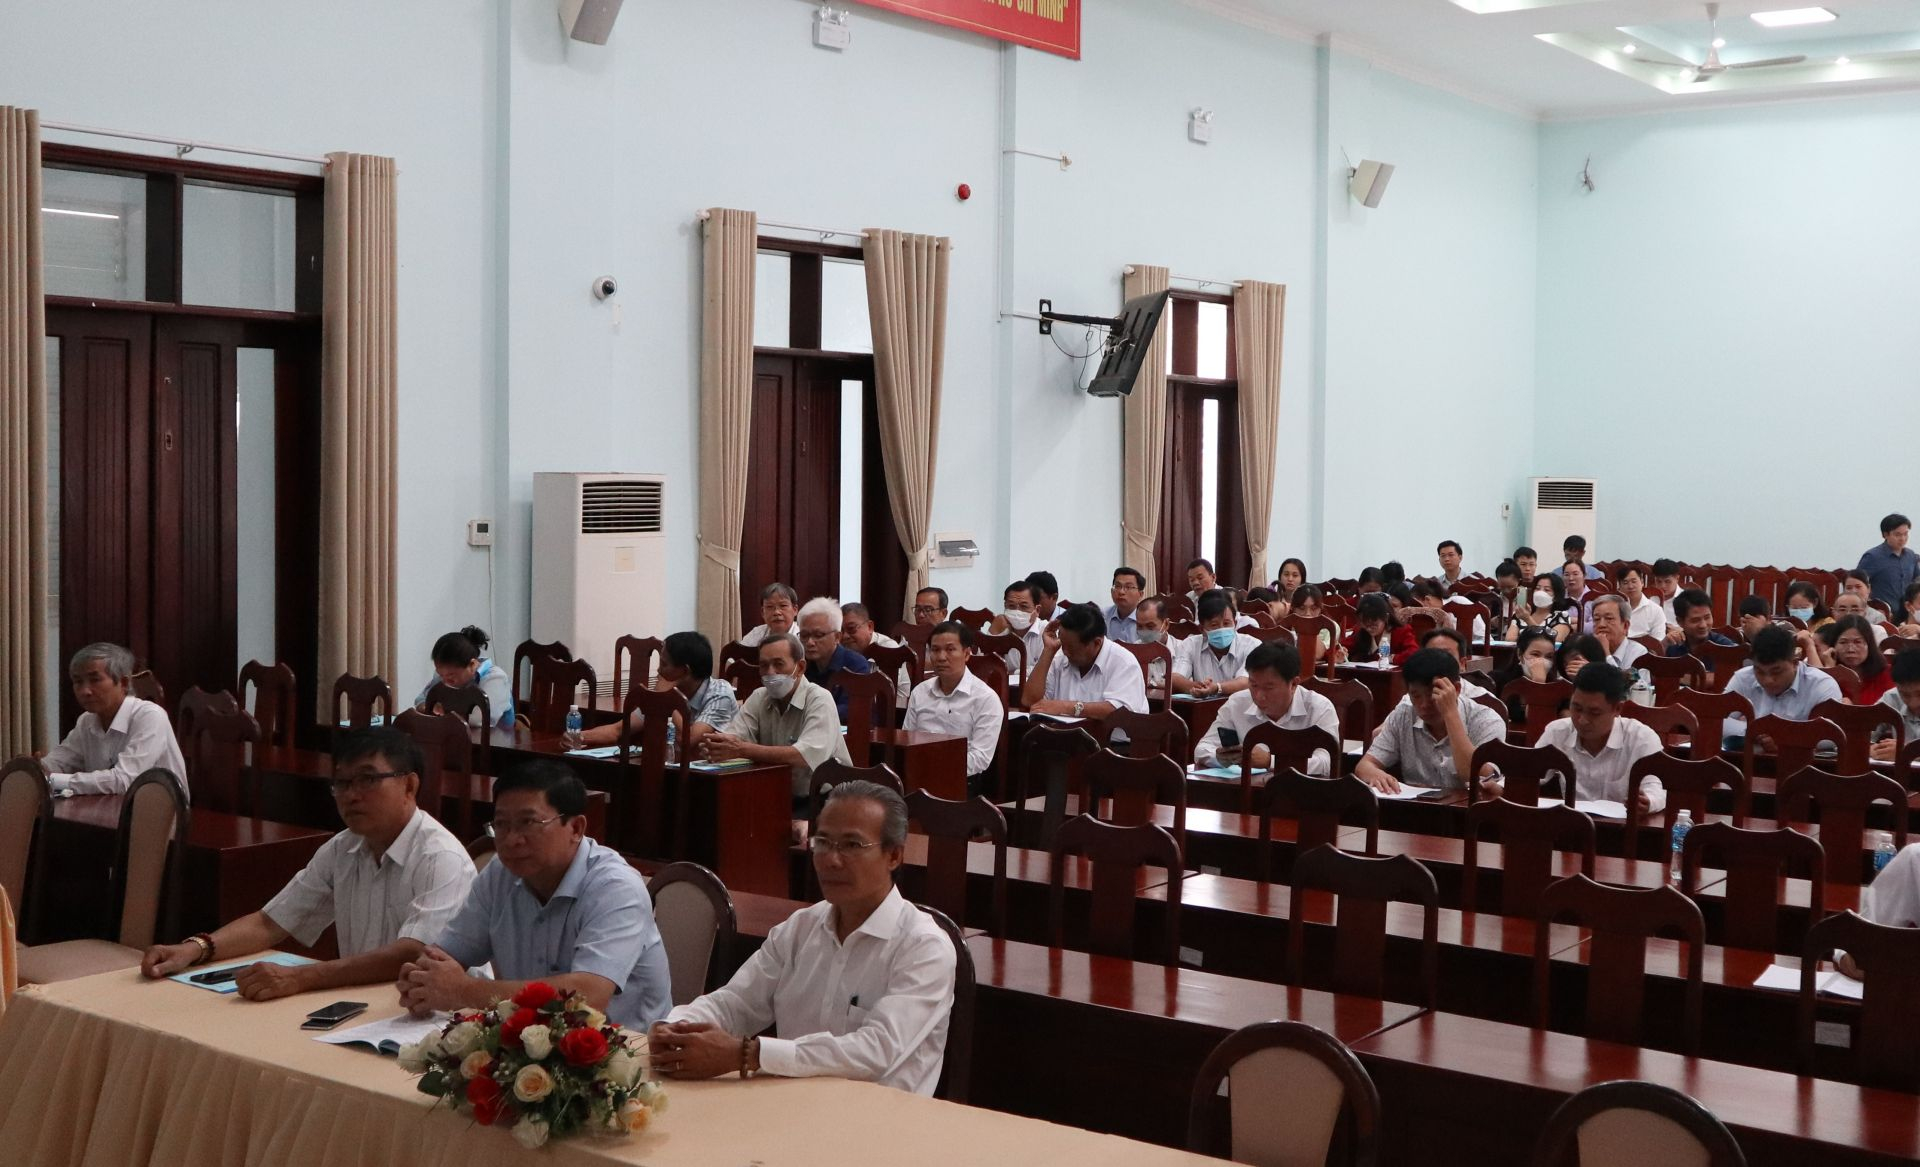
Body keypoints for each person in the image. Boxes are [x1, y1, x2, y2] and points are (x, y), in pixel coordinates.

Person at [649, 781, 954, 1095]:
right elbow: (736, 1003)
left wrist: (749, 1055)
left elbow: (875, 1052)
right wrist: (679, 1027)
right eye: (823, 842)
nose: (831, 859)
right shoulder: (800, 928)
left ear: (894, 855)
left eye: (852, 845)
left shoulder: (925, 947)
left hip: (880, 1118)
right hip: (789, 1104)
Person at [141, 729, 473, 999]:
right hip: (364, 1004)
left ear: (409, 786)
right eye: (342, 783)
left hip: (438, 1019)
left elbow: (414, 953)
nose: (351, 795)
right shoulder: (342, 848)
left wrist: (302, 977)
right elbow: (270, 923)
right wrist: (194, 949)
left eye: (367, 780)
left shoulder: (440, 857)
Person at [399, 761, 672, 1029]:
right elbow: (443, 955)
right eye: (501, 825)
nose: (512, 840)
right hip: (525, 1043)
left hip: (625, 1049)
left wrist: (464, 991)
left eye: (528, 822)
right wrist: (421, 978)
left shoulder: (616, 888)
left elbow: (588, 996)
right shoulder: (500, 874)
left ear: (576, 828)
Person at [1482, 663, 1664, 815]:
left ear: (1617, 709)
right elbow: (1529, 772)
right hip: (1570, 828)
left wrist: (1648, 802)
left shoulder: (1641, 738)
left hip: (1623, 831)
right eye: (1576, 708)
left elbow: (1658, 788)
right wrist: (1502, 787)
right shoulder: (1558, 731)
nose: (1582, 720)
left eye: (1594, 712)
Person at [704, 633, 852, 799]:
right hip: (775, 794)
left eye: (778, 664)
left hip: (827, 800)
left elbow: (803, 756)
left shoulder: (819, 698)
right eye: (764, 665)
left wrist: (741, 749)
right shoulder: (759, 696)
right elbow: (734, 738)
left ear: (800, 667)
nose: (770, 672)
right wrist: (717, 745)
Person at [41, 642, 188, 799]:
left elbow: (124, 780)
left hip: (157, 810)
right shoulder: (87, 720)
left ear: (123, 683)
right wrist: (38, 769)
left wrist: (53, 780)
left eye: (95, 680)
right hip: (107, 807)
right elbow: (59, 762)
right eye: (78, 682)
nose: (85, 691)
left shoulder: (150, 716)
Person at [1355, 649, 1505, 794]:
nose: (1424, 705)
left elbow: (1473, 775)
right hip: (1417, 807)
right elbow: (1365, 765)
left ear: (1456, 689)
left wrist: (1450, 713)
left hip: (1467, 808)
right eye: (1416, 696)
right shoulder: (1404, 714)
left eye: (1432, 695)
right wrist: (1377, 775)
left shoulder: (1487, 721)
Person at [1193, 641, 1340, 772]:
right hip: (1245, 788)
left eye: (1269, 688)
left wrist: (1270, 761)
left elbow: (1327, 763)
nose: (1259, 696)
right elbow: (1202, 749)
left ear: (1294, 684)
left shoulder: (1319, 708)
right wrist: (1220, 758)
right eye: (1253, 685)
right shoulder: (1237, 703)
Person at [576, 631, 739, 749]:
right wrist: (578, 737)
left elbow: (688, 740)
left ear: (685, 670)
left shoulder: (719, 693)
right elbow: (618, 730)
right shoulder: (663, 692)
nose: (659, 670)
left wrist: (667, 699)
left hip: (715, 777)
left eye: (664, 664)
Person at [901, 622, 1004, 795]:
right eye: (935, 650)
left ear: (966, 654)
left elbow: (980, 758)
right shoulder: (920, 692)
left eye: (950, 649)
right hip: (918, 778)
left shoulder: (985, 698)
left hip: (961, 781)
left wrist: (938, 767)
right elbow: (907, 739)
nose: (941, 657)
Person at [1723, 625, 1845, 748]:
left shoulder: (1821, 684)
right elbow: (1718, 719)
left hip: (1801, 759)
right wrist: (1754, 731)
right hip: (1748, 757)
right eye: (1760, 672)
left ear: (1795, 663)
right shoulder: (1743, 678)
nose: (1768, 680)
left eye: (1776, 672)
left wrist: (1787, 738)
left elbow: (1833, 735)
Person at [1021, 603, 1148, 718]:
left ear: (1096, 643)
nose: (1065, 652)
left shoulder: (1123, 662)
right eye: (1062, 644)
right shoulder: (1059, 657)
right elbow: (1030, 702)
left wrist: (1066, 707)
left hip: (1110, 736)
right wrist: (1048, 651)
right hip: (1063, 733)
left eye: (1071, 648)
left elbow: (1120, 712)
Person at [412, 625, 514, 729]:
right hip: (456, 733)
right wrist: (427, 708)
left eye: (451, 676)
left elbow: (481, 719)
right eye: (441, 674)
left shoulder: (495, 678)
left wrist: (442, 713)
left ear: (472, 665)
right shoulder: (444, 675)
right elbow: (421, 700)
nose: (445, 681)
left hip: (497, 737)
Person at [1172, 590, 1262, 697]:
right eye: (1214, 625)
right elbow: (1175, 677)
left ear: (1235, 624)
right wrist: (1196, 688)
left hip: (1241, 705)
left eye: (1226, 623)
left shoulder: (1252, 645)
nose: (1221, 629)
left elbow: (1247, 681)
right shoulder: (1190, 644)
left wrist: (1216, 688)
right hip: (1203, 705)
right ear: (1201, 629)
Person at [796, 597, 872, 721]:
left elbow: (851, 710)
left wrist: (810, 711)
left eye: (818, 635)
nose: (810, 642)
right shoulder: (800, 663)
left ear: (837, 637)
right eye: (804, 635)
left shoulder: (856, 665)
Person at [842, 602, 912, 707]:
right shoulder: (844, 649)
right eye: (841, 631)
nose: (845, 636)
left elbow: (880, 695)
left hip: (890, 712)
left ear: (870, 627)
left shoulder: (888, 649)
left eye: (851, 629)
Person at [1667, 589, 1738, 686]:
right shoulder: (1674, 646)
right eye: (1695, 620)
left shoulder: (1725, 646)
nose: (1703, 625)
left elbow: (1730, 678)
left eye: (1707, 617)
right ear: (1680, 621)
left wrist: (1678, 677)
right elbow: (1660, 675)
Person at [1815, 616, 1893, 704]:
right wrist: (1831, 670)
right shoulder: (1824, 674)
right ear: (1833, 646)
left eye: (1858, 642)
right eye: (1843, 642)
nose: (1850, 649)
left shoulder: (1887, 674)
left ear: (1869, 645)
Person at [1857, 513, 1917, 620]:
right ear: (1885, 535)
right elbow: (1858, 584)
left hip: (1907, 614)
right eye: (1897, 535)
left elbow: (1916, 581)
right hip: (1882, 614)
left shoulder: (1911, 556)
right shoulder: (1872, 557)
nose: (1903, 538)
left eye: (1906, 534)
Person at [991, 579, 1047, 681]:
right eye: (1011, 606)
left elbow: (1047, 669)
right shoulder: (1002, 629)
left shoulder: (1045, 631)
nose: (1017, 611)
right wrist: (992, 633)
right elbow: (983, 666)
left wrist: (1014, 673)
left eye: (1024, 606)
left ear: (1037, 610)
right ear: (1005, 606)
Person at [1414, 627, 1492, 701]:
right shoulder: (1411, 699)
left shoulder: (1483, 699)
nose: (1437, 662)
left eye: (1445, 655)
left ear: (1462, 663)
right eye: (1431, 655)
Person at [1870, 652, 1920, 763]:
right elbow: (1860, 731)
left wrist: (1907, 752)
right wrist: (1870, 748)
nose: (1914, 703)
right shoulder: (1892, 697)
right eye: (1905, 695)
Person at [1344, 593, 1416, 665]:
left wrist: (1391, 658)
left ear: (1386, 617)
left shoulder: (1402, 631)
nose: (1369, 629)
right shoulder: (1360, 630)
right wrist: (1341, 654)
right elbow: (1343, 647)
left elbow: (1413, 653)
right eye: (1365, 624)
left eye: (1374, 625)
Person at [1589, 594, 1647, 671]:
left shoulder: (1639, 653)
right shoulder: (1587, 650)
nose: (1601, 625)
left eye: (1609, 618)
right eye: (1596, 619)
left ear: (1625, 626)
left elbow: (1633, 680)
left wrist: (1607, 655)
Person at [1517, 571, 1578, 643]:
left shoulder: (1561, 616)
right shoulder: (1523, 613)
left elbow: (1552, 641)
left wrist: (1528, 619)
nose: (1540, 593)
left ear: (1556, 596)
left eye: (1547, 590)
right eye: (1537, 588)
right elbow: (1510, 638)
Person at [740, 583, 801, 649]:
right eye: (770, 607)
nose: (776, 612)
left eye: (783, 606)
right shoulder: (756, 634)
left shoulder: (803, 636)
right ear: (762, 612)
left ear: (795, 610)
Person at [1616, 565, 1666, 640]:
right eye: (1625, 583)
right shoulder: (1613, 608)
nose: (1630, 586)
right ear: (1619, 586)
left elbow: (1658, 640)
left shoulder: (1656, 610)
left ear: (1642, 582)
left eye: (1634, 581)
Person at [1104, 566, 1146, 643]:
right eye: (1117, 586)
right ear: (1111, 591)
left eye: (1128, 587)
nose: (1121, 592)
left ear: (1140, 594)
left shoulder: (1147, 620)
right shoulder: (1102, 616)